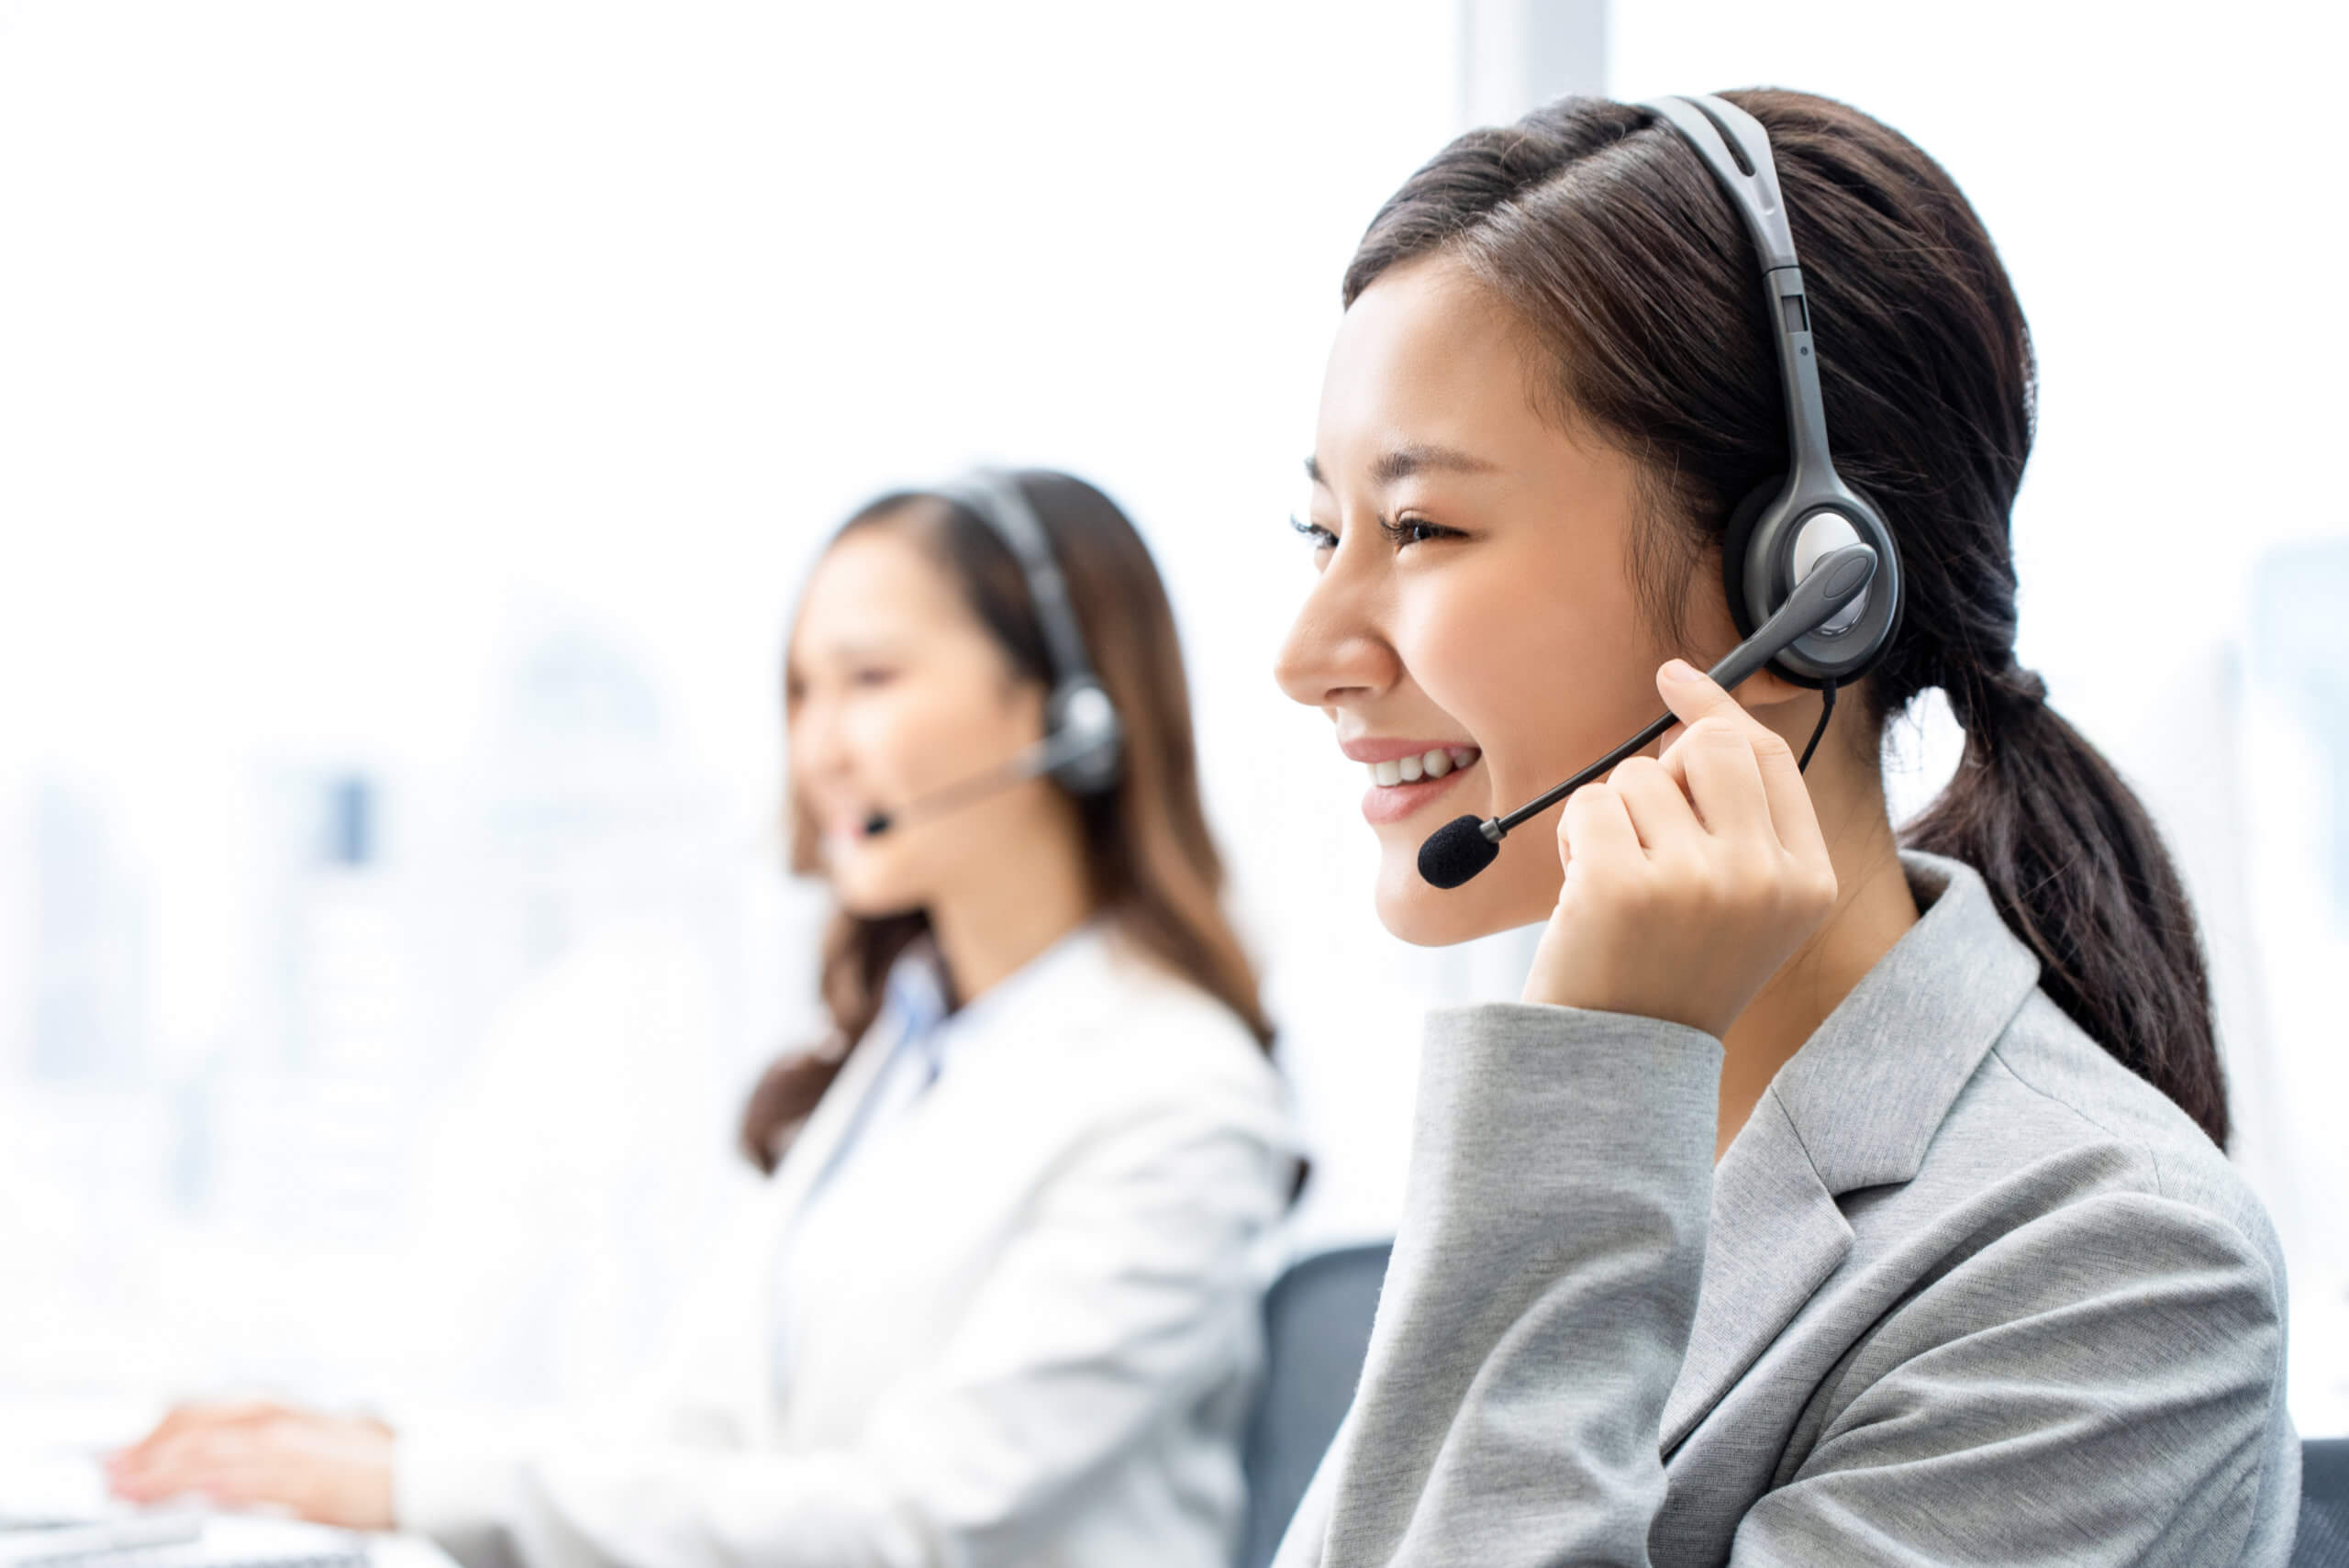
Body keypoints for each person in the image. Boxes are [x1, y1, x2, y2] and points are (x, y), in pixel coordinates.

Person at [1271, 90, 2298, 1565]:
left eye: (1422, 528)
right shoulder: (1606, 1139)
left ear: (1807, 583)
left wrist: (1590, 1081)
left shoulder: (2115, 1265)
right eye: (1323, 535)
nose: (1308, 653)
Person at [109, 470, 1300, 1568]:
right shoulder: (911, 1050)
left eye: (869, 679)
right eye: (799, 692)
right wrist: (364, 1448)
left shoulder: (1178, 1096)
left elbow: (916, 1519)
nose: (817, 747)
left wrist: (410, 1482)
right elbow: (696, 1441)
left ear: (1065, 705)